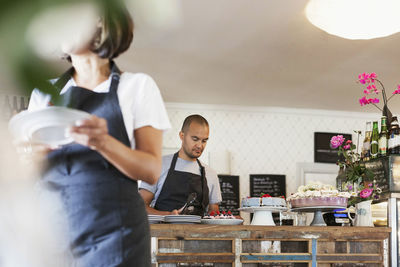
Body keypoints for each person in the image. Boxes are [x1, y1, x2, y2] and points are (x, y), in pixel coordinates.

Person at [25, 2, 170, 266]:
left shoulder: (137, 87)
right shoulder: (43, 94)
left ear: (101, 23)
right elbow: (32, 173)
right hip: (54, 235)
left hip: (116, 237)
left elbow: (151, 170)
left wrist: (103, 142)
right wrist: (28, 156)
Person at [139, 114, 222, 216]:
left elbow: (214, 214)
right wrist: (168, 215)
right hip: (162, 231)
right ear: (182, 136)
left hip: (198, 232)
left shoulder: (211, 174)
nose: (200, 145)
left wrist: (228, 218)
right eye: (195, 139)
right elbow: (139, 206)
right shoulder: (158, 165)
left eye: (204, 141)